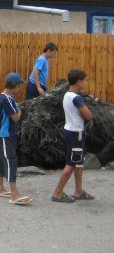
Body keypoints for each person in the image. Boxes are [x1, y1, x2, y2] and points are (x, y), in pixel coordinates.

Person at [51, 69, 94, 203]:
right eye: (85, 80)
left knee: (79, 163)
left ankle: (79, 191)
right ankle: (57, 193)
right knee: (71, 164)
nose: (86, 83)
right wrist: (84, 113)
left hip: (69, 131)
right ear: (79, 82)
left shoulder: (67, 95)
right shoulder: (76, 98)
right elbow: (89, 115)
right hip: (76, 134)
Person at [0, 72, 32, 205]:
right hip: (5, 134)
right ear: (14, 85)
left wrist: (17, 110)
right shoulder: (5, 99)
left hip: (9, 133)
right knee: (10, 160)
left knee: (3, 159)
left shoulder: (10, 97)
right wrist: (20, 111)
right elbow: (15, 117)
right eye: (19, 85)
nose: (20, 88)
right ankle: (14, 194)